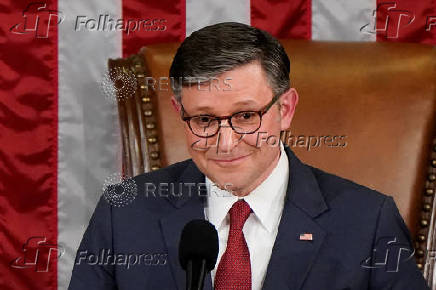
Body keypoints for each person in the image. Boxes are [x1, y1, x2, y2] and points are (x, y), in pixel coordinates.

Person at [68, 22, 429, 290]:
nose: (226, 143)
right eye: (205, 119)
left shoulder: (367, 223)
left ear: (285, 110)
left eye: (245, 116)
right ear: (180, 112)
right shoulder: (125, 214)